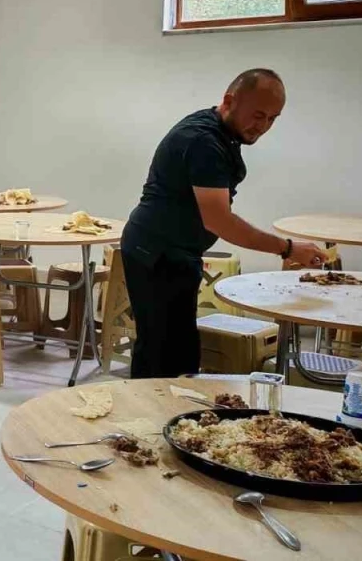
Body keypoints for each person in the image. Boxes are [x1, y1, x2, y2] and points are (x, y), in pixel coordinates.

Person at [123, 69, 326, 379]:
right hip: (155, 252)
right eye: (258, 115)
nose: (263, 126)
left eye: (272, 119)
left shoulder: (221, 132)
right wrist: (287, 248)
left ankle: (170, 403)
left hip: (177, 250)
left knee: (178, 350)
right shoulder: (203, 141)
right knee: (161, 353)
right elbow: (220, 221)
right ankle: (149, 407)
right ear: (229, 101)